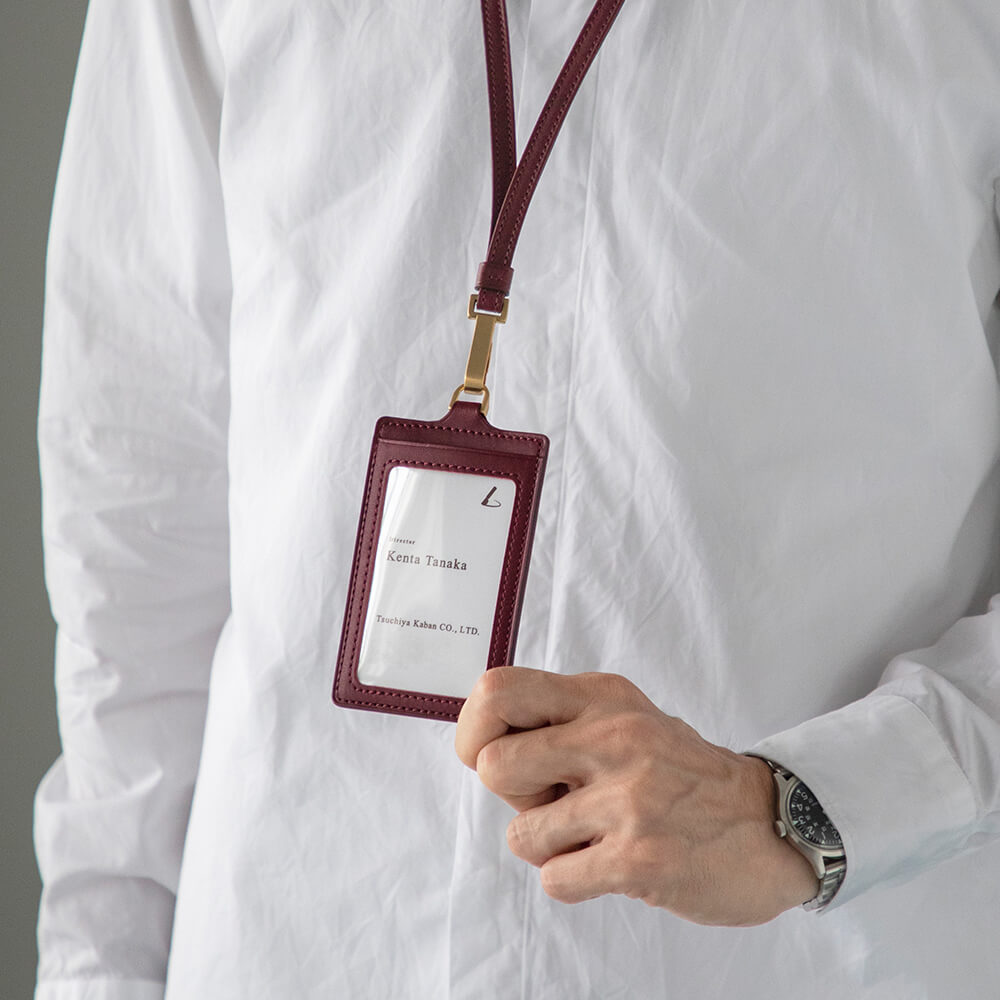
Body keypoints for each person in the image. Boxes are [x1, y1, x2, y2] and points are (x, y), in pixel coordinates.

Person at [34, 2, 1000, 998]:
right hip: (296, 939)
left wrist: (808, 805)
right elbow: (137, 498)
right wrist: (97, 972)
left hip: (788, 963)